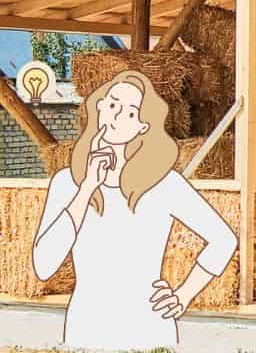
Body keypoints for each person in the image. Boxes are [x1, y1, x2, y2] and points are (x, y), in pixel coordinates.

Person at [32, 70, 238, 350]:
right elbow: (43, 265)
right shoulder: (67, 184)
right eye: (114, 104)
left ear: (143, 126)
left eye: (131, 113)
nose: (118, 116)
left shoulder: (164, 185)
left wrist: (183, 295)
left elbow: (224, 239)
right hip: (87, 328)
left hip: (149, 328)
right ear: (100, 107)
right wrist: (87, 189)